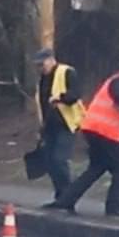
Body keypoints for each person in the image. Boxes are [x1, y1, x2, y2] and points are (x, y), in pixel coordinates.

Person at [46, 57, 119, 217]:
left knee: (96, 168)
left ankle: (65, 201)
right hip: (105, 132)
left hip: (93, 129)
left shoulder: (114, 82)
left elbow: (115, 107)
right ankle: (114, 208)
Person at [33, 48, 85, 200]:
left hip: (67, 123)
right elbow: (42, 104)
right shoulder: (42, 79)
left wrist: (60, 98)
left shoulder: (67, 72)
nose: (40, 68)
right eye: (38, 65)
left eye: (42, 64)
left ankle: (68, 195)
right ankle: (60, 195)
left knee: (59, 160)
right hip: (49, 126)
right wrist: (41, 128)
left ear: (51, 60)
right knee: (50, 162)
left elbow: (75, 94)